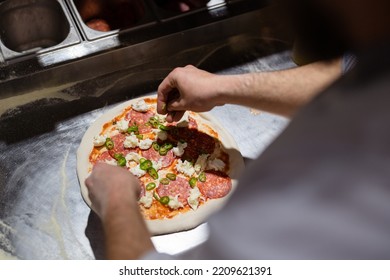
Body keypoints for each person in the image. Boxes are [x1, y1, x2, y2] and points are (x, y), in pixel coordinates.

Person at [85, 0, 390, 259]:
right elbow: (348, 76)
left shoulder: (351, 205)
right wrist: (221, 87)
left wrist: (117, 201)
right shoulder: (377, 50)